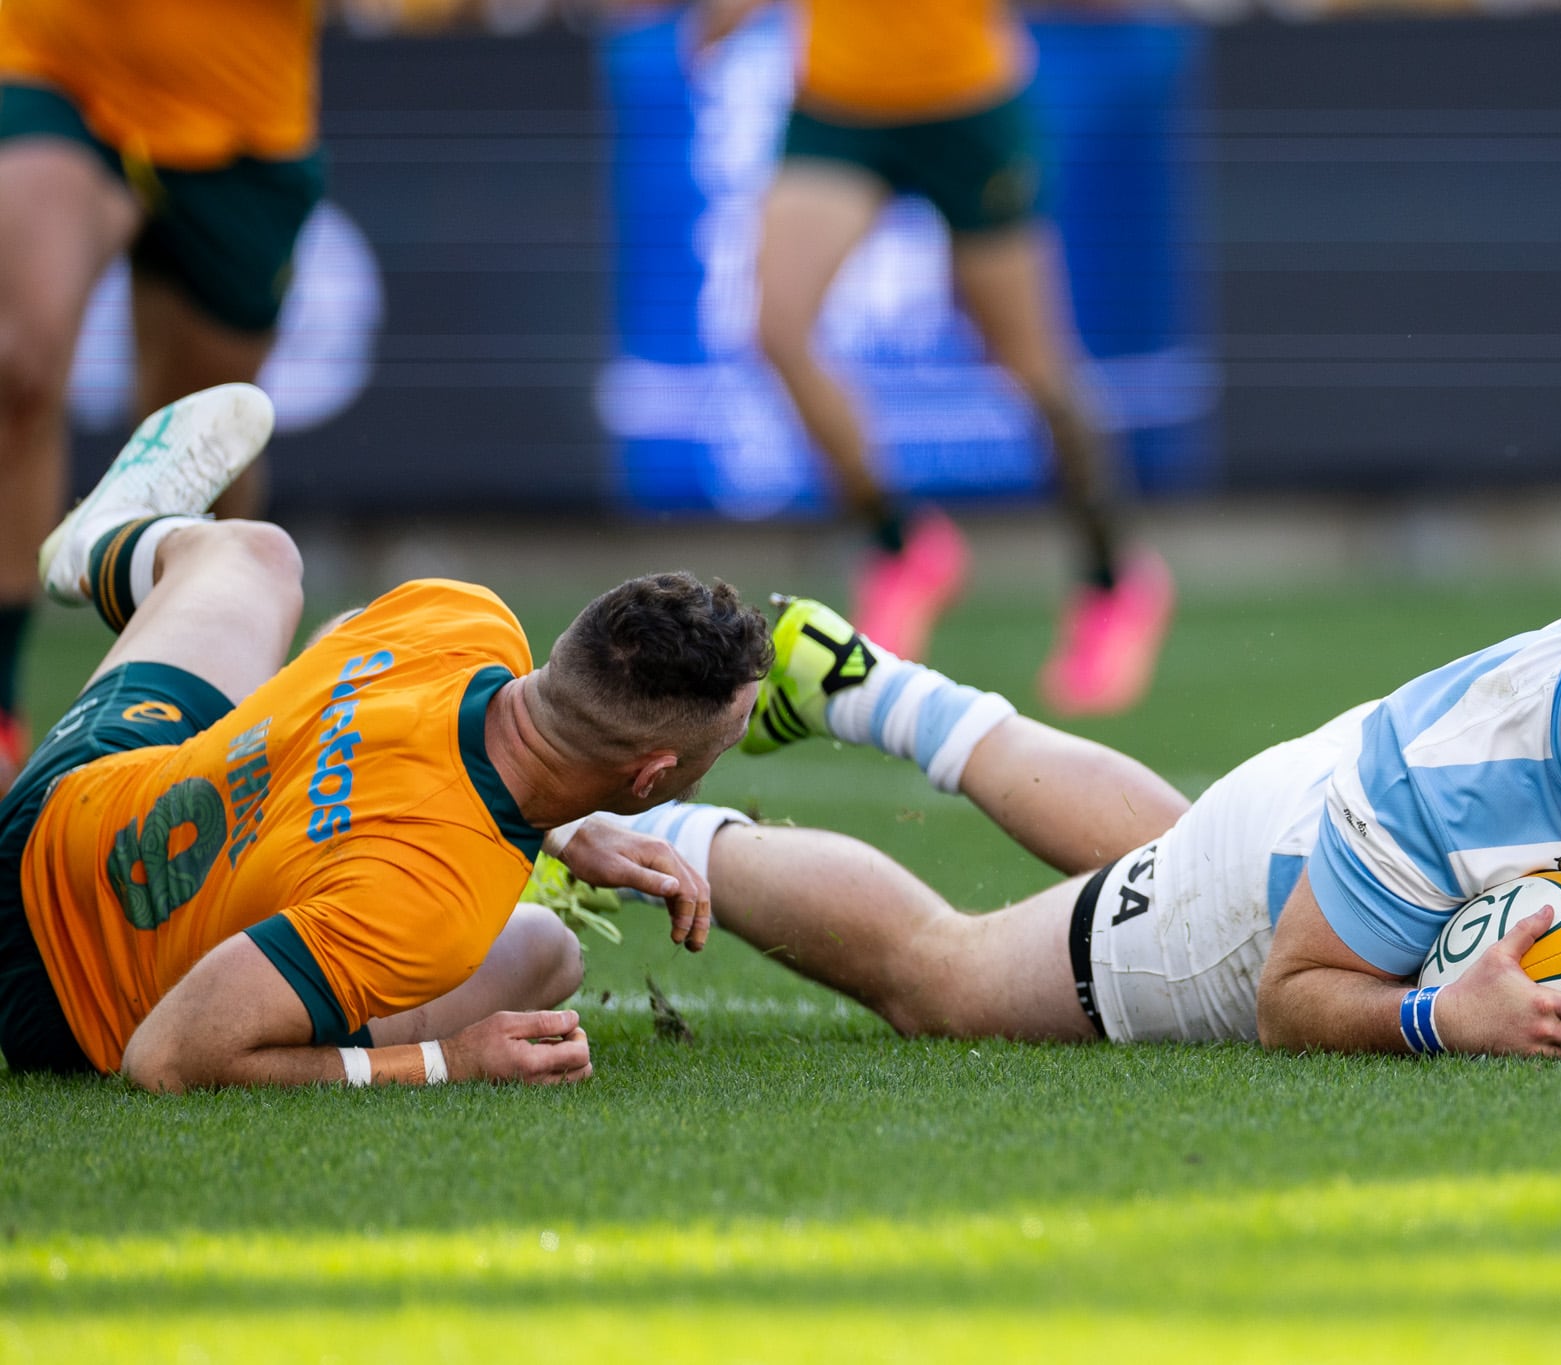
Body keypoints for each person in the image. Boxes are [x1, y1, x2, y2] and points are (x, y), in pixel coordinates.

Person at [569, 548, 1561, 1055]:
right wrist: (1447, 1019)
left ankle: (857, 685)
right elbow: (1289, 993)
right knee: (953, 980)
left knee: (1156, 841)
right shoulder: (1440, 770)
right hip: (1276, 883)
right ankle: (647, 836)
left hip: (1332, 826)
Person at [0, 383, 774, 1089]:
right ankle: (101, 534)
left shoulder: (467, 617)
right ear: (650, 775)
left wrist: (562, 829)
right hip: (63, 1000)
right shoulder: (433, 905)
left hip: (76, 799)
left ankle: (111, 539)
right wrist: (448, 1061)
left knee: (254, 553)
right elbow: (164, 1056)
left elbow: (341, 640)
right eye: (728, 734)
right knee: (543, 950)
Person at [689, 0, 1174, 713]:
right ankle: (901, 544)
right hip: (838, 102)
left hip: (965, 103)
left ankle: (1112, 579)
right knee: (778, 328)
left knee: (1034, 368)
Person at [0, 0, 342, 797]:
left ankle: (224, 710)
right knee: (18, 361)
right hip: (57, 64)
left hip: (240, 106)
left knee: (210, 433)